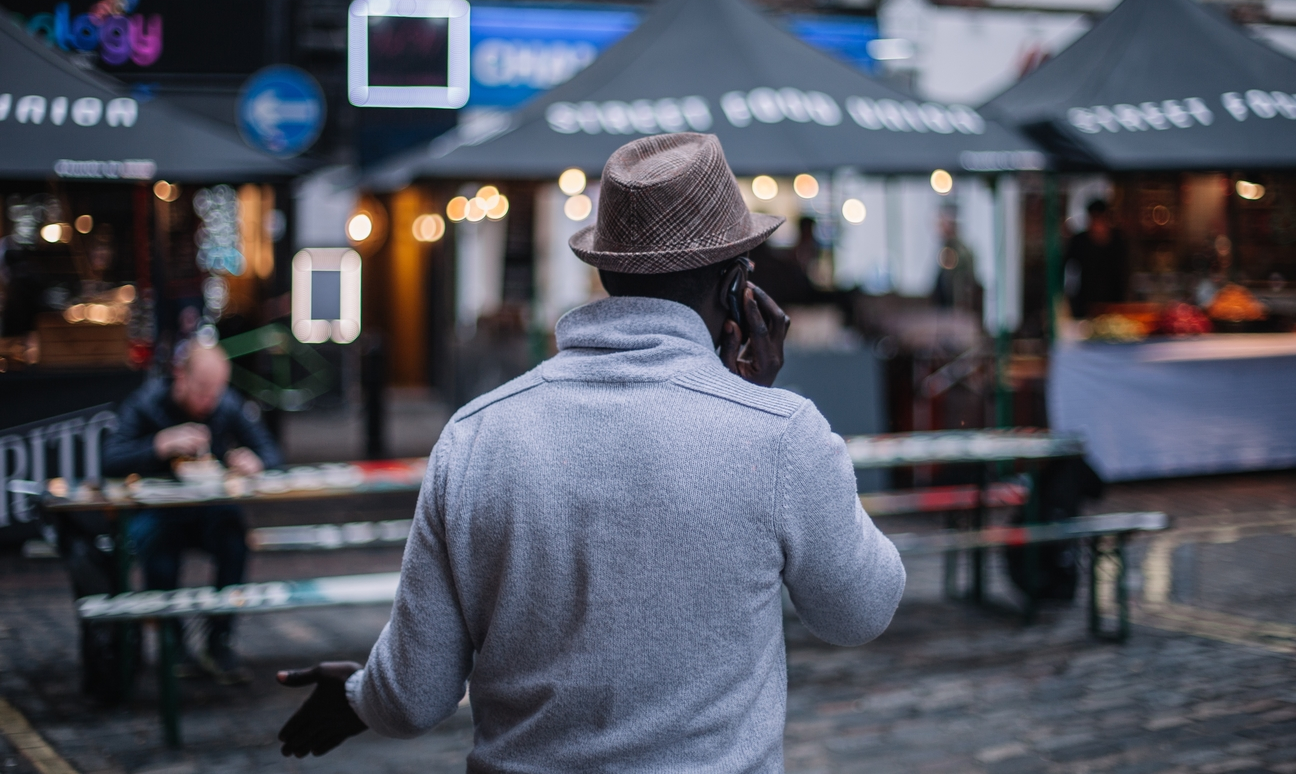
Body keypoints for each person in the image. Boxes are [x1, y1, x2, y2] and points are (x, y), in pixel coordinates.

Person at [277, 133, 906, 769]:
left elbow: (414, 696)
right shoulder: (780, 434)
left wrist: (359, 695)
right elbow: (860, 612)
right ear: (738, 286)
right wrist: (758, 406)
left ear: (605, 274)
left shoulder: (477, 434)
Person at [102, 340, 283, 684]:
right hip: (159, 512)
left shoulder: (224, 404)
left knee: (235, 539)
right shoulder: (147, 403)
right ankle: (174, 644)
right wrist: (159, 444)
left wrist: (255, 461)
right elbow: (110, 460)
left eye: (216, 391)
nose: (209, 401)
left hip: (207, 511)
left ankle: (219, 639)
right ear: (179, 377)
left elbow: (270, 450)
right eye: (202, 390)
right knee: (158, 549)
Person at [1064, 199, 1128, 317]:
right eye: (1094, 218)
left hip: (1113, 303)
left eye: (1100, 219)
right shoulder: (1080, 241)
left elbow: (1123, 275)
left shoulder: (1118, 242)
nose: (1097, 224)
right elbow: (1065, 267)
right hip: (1084, 303)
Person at [931, 203, 981, 315]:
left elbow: (963, 283)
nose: (939, 229)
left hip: (956, 308)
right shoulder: (946, 248)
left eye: (942, 224)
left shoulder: (959, 251)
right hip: (946, 308)